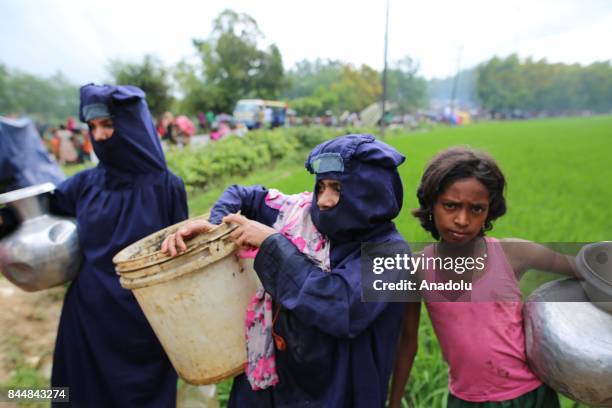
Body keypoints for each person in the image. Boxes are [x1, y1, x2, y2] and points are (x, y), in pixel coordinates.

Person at [162, 134, 410, 407]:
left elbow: (341, 307)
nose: (324, 200)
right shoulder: (299, 215)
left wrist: (271, 244)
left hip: (335, 391)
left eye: (338, 188)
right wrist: (217, 226)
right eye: (321, 187)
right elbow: (241, 194)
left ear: (369, 192)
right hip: (275, 375)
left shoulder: (392, 254)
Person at [389, 147, 577, 408]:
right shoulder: (417, 268)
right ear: (431, 204)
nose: (463, 220)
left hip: (530, 396)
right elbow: (407, 341)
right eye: (451, 206)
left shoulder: (513, 253)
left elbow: (583, 270)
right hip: (467, 399)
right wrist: (394, 401)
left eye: (476, 209)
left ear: (489, 211)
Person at [49, 84, 188, 407]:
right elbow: (41, 208)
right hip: (89, 319)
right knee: (77, 394)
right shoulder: (86, 184)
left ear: (131, 125)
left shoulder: (166, 187)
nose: (98, 136)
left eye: (108, 125)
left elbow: (177, 258)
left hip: (143, 324)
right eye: (93, 127)